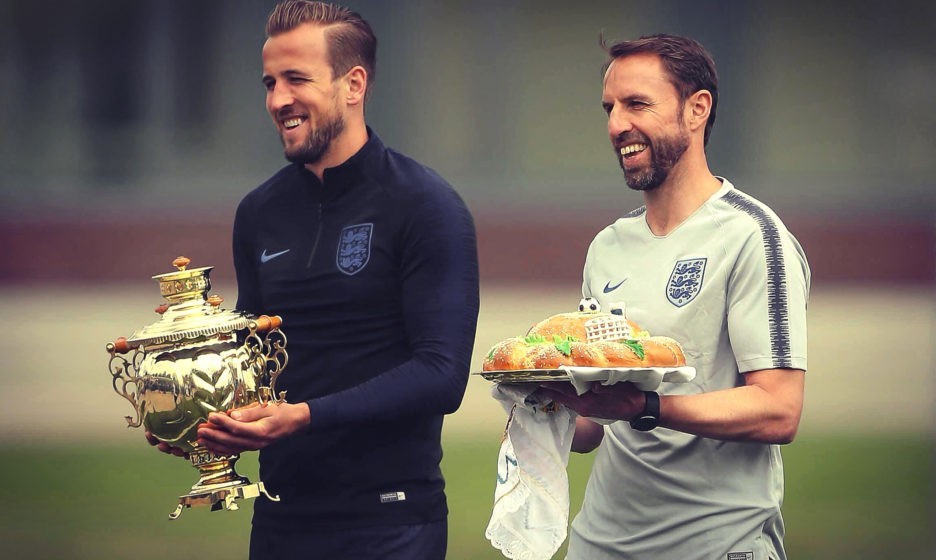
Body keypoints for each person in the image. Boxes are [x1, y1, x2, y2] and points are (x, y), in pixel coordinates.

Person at [150, 2, 480, 558]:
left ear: (354, 85)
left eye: (296, 79)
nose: (278, 99)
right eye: (270, 83)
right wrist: (191, 392)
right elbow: (257, 358)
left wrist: (304, 417)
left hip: (392, 522)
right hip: (281, 518)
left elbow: (441, 376)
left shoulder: (426, 205)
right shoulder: (259, 212)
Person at [537, 34, 809, 560]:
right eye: (610, 108)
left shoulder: (752, 236)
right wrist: (545, 402)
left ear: (696, 109)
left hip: (715, 545)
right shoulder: (608, 245)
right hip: (600, 544)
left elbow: (779, 410)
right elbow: (594, 428)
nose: (617, 125)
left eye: (637, 104)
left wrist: (647, 406)